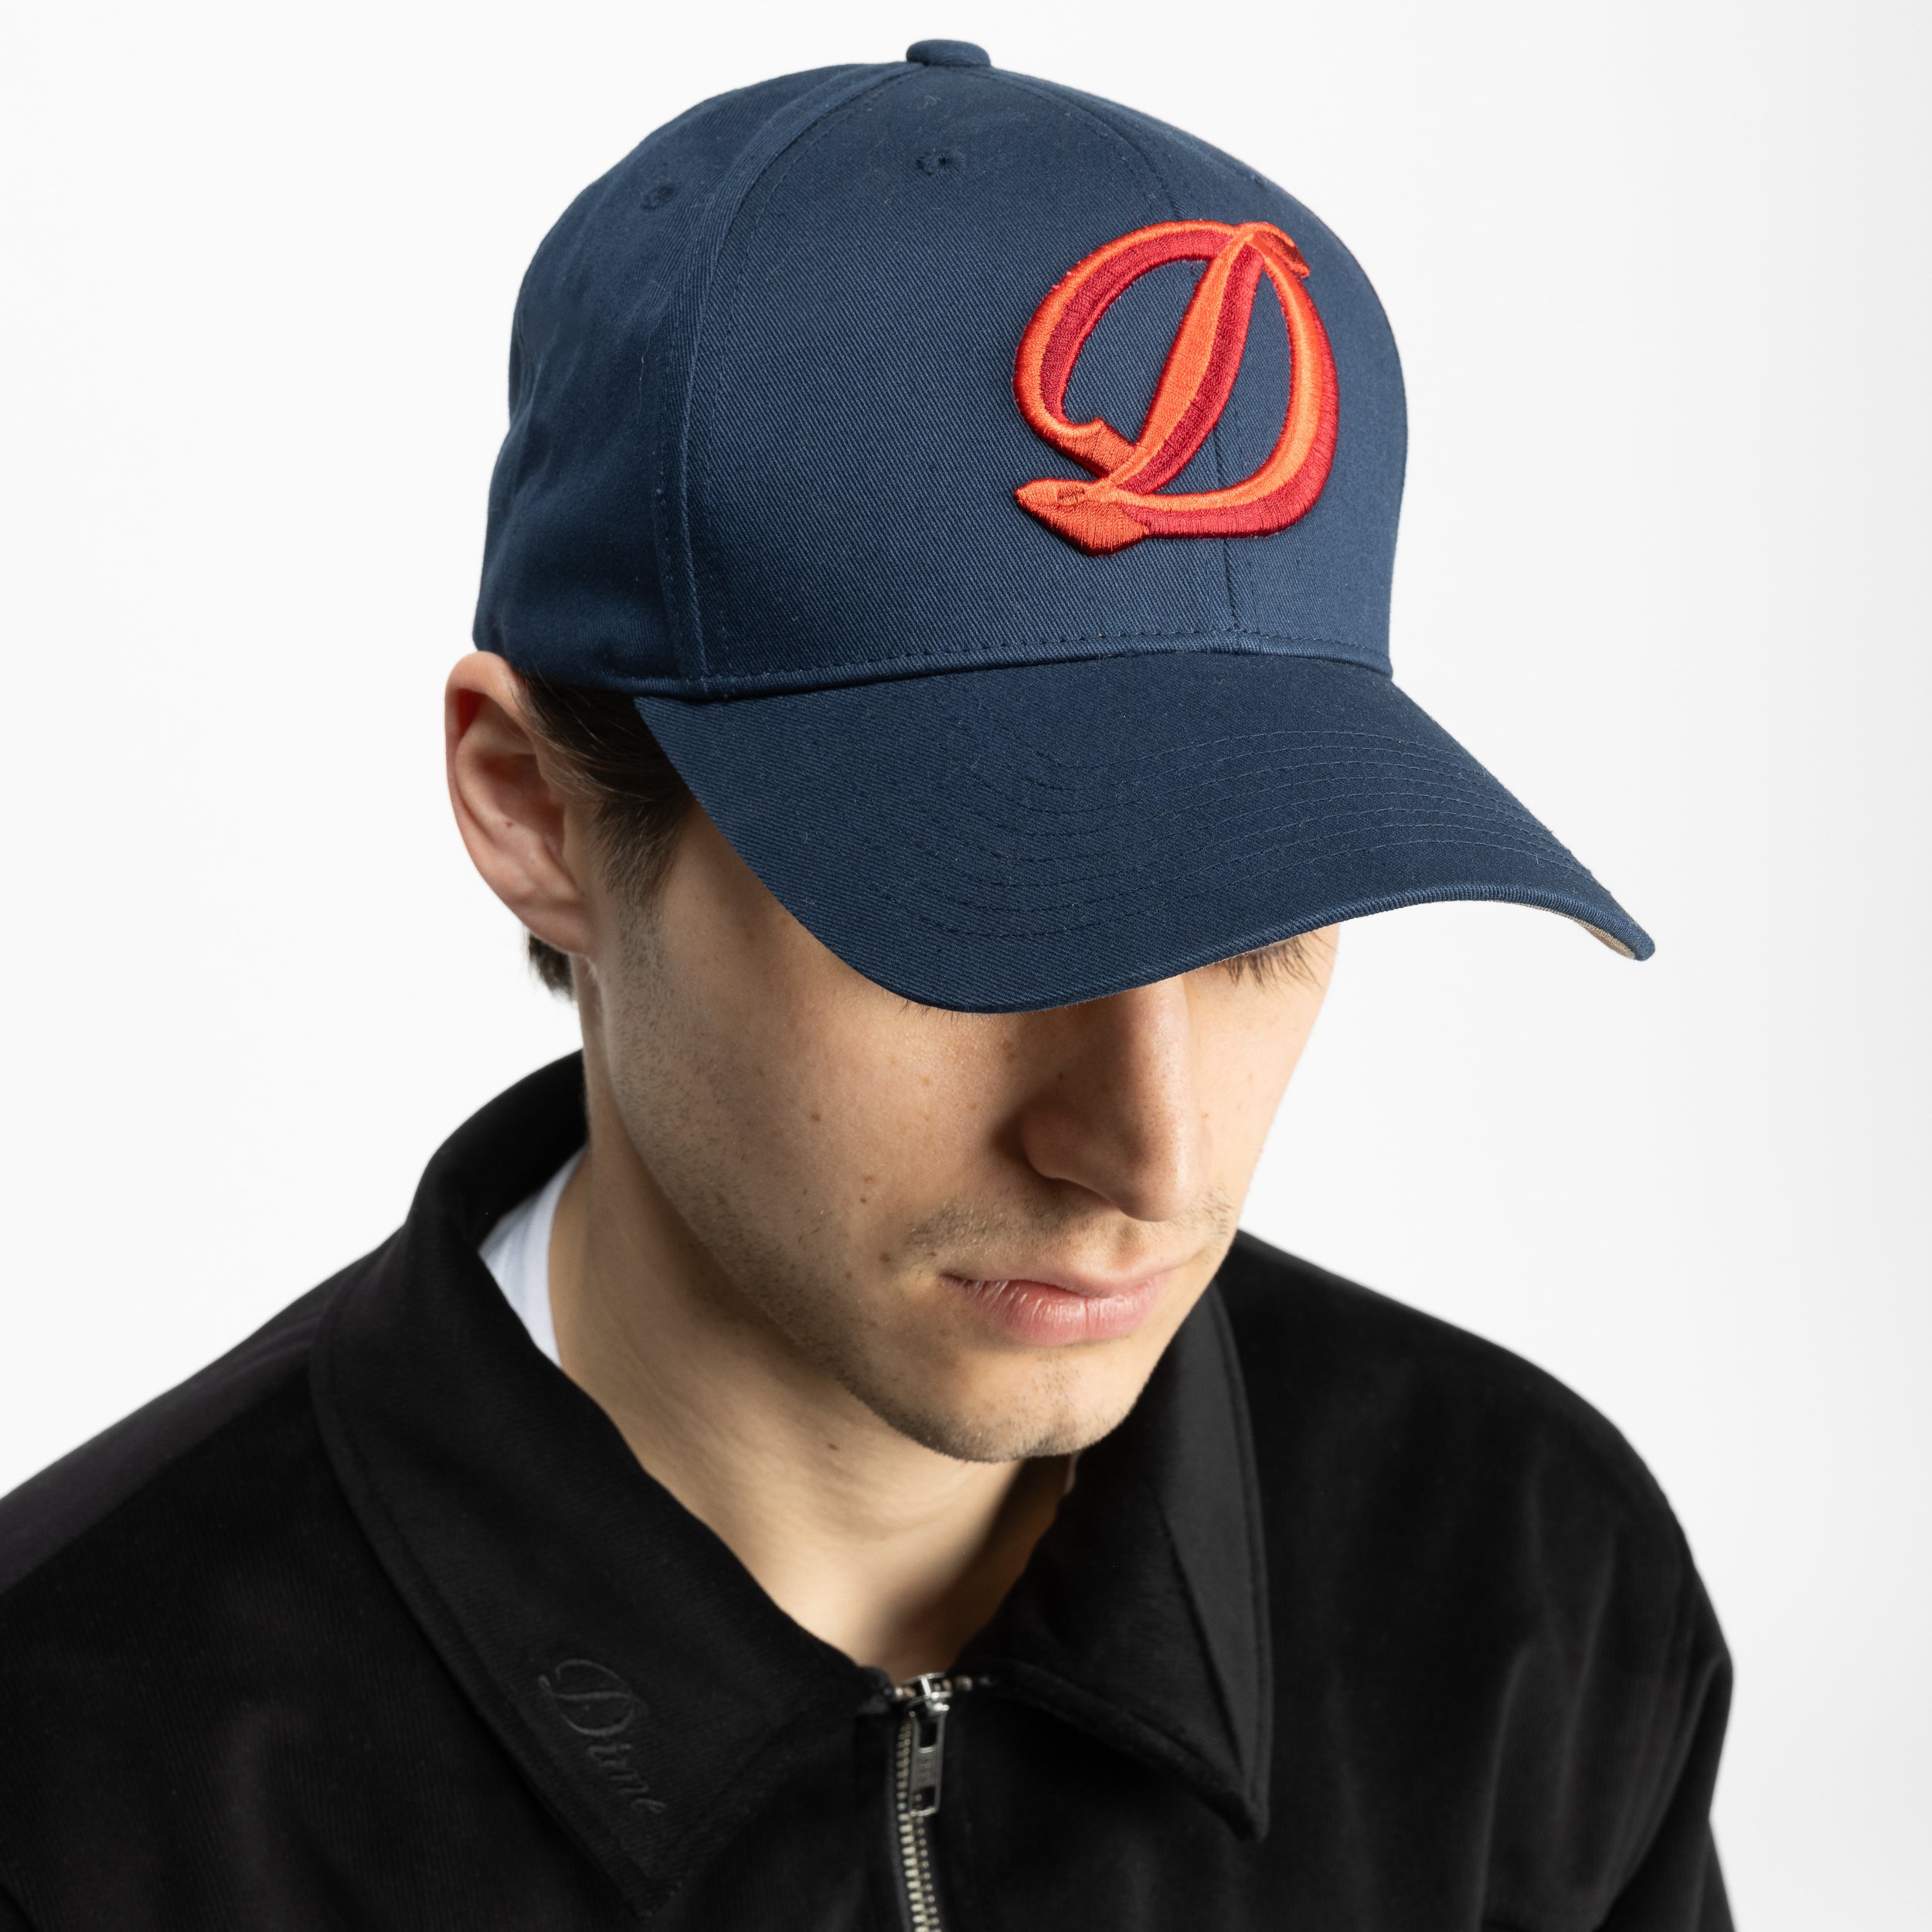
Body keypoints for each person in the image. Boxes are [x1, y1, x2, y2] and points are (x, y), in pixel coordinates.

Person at [0, 40, 1730, 1931]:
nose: (1150, 1154)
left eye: (1257, 923)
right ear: (535, 810)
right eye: (967, 925)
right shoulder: (77, 1775)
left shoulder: (1526, 1593)